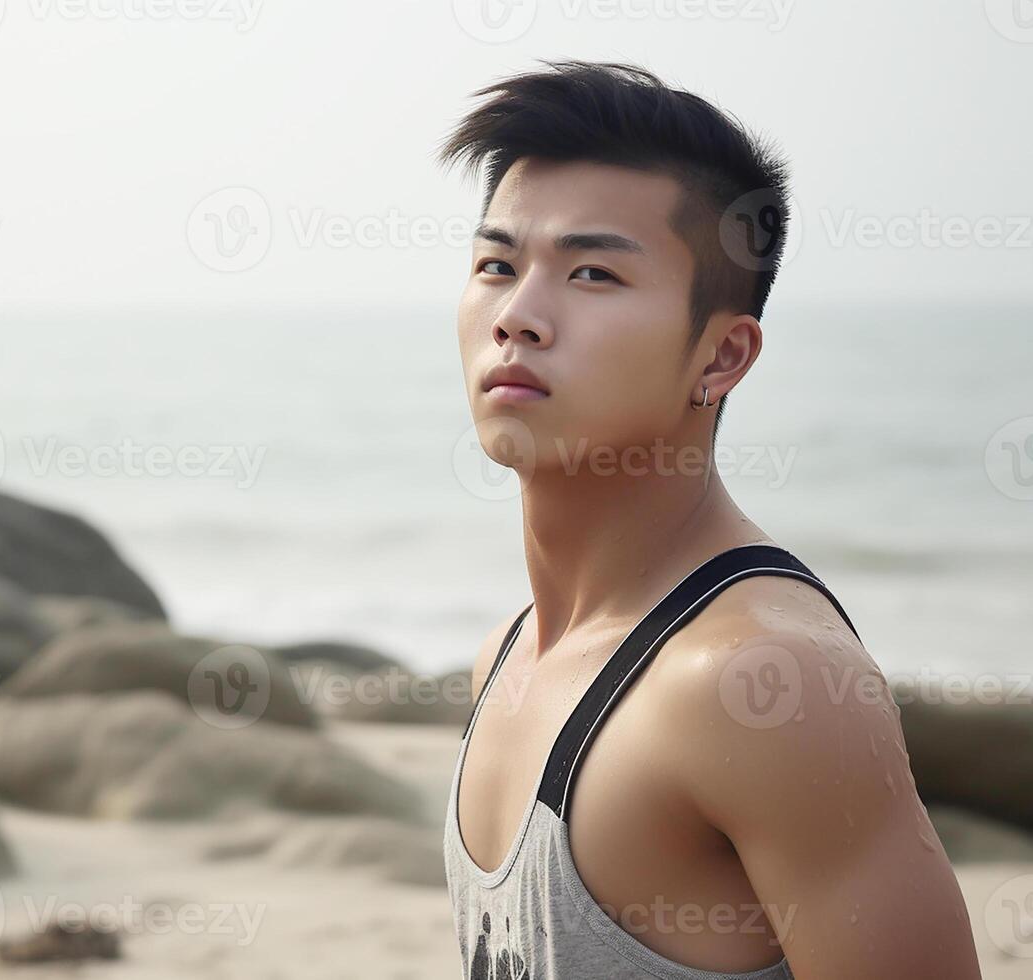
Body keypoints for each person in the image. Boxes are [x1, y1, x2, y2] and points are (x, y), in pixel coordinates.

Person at [436, 60, 981, 979]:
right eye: (497, 265)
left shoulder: (767, 684)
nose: (518, 316)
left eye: (594, 273)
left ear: (723, 356)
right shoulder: (507, 659)